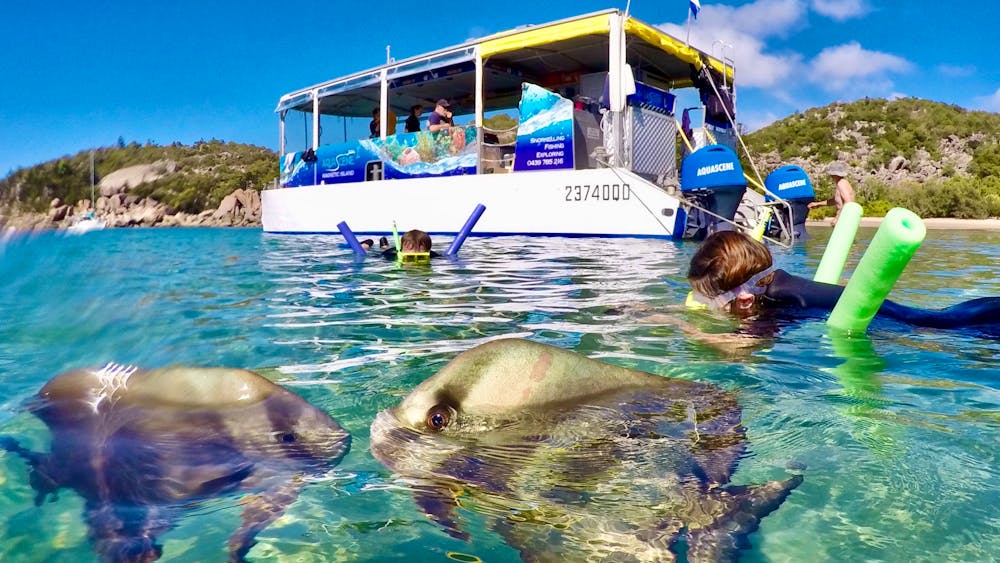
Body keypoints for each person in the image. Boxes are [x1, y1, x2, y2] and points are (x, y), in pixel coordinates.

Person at [684, 230, 999, 335]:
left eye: (715, 299)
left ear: (744, 294)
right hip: (943, 315)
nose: (714, 307)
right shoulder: (773, 288)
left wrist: (687, 330)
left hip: (946, 328)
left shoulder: (780, 297)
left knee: (940, 324)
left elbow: (742, 350)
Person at [808, 161, 856, 226]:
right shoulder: (842, 183)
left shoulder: (841, 184)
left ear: (834, 174)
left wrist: (837, 218)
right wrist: (818, 204)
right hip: (844, 219)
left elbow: (848, 202)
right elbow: (835, 201)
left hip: (844, 220)